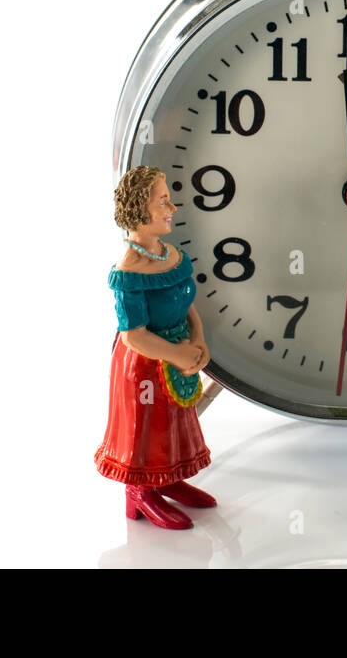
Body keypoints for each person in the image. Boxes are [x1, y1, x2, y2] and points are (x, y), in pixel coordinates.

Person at [95, 165, 216, 529]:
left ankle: (168, 478)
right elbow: (134, 334)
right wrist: (178, 353)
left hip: (177, 353)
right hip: (145, 366)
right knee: (145, 429)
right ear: (138, 209)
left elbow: (186, 303)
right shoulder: (129, 271)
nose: (171, 207)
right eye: (162, 200)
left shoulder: (170, 254)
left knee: (175, 423)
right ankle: (140, 492)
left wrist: (198, 340)